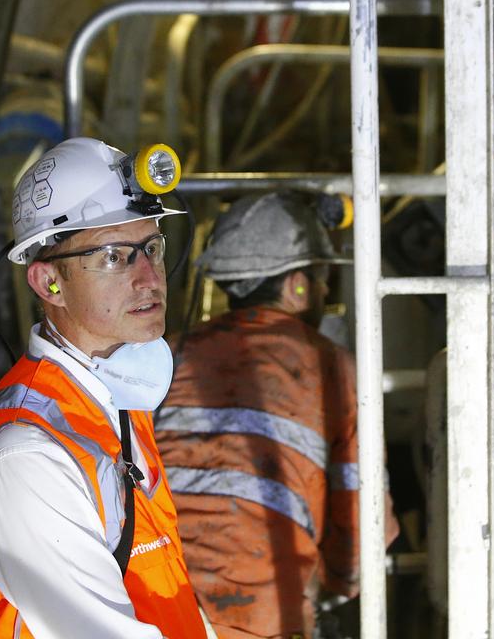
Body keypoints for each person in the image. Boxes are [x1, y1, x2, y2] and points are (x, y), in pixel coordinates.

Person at [0, 137, 208, 639]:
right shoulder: (24, 458)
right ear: (49, 285)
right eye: (114, 257)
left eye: (151, 248)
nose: (149, 277)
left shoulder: (116, 402)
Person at [155, 191, 399, 639]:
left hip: (155, 611)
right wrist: (333, 588)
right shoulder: (336, 370)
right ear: (297, 286)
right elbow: (363, 531)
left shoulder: (164, 358)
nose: (326, 291)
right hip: (265, 620)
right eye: (320, 278)